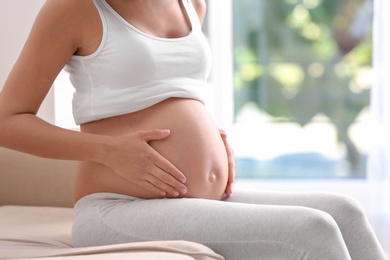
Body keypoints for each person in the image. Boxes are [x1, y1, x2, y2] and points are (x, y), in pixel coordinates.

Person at [0, 0, 387, 259]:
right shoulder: (75, 8)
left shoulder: (189, 3)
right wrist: (108, 149)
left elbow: (174, 90)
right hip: (117, 208)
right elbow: (8, 121)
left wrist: (212, 139)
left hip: (196, 199)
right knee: (311, 229)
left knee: (346, 212)